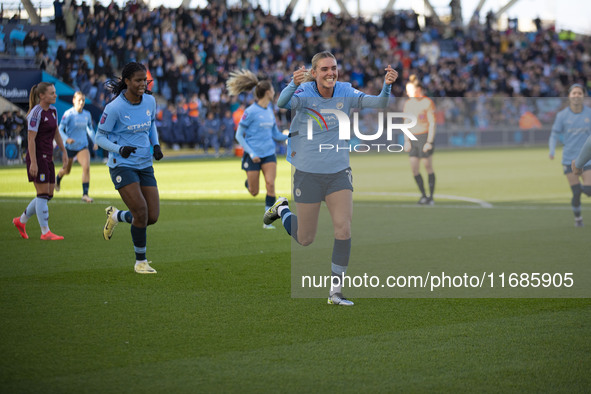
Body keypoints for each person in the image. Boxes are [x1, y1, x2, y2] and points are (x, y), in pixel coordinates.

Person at [264, 51, 398, 305]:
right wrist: (293, 83)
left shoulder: (346, 91)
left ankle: (334, 292)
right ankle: (282, 209)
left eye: (334, 68)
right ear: (313, 73)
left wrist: (387, 87)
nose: (330, 73)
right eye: (324, 69)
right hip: (308, 174)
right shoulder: (303, 93)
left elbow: (379, 103)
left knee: (344, 229)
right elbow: (282, 103)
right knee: (305, 239)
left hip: (338, 172)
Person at [95, 62, 164, 274]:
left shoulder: (150, 101)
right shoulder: (114, 108)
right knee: (141, 211)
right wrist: (118, 149)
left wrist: (156, 145)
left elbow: (151, 124)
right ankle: (140, 262)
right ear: (127, 81)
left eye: (145, 80)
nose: (143, 83)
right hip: (122, 165)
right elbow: (99, 137)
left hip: (145, 164)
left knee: (151, 217)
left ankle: (116, 216)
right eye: (138, 80)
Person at [226, 69, 288, 229]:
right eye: (273, 90)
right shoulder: (250, 111)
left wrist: (290, 135)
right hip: (252, 155)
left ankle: (268, 220)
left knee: (270, 184)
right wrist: (251, 153)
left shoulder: (270, 110)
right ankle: (249, 181)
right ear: (268, 92)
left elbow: (275, 134)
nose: (274, 92)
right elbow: (239, 135)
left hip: (269, 154)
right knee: (254, 191)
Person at [12, 82, 68, 240]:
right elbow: (31, 140)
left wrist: (64, 151)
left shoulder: (53, 111)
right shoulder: (35, 113)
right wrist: (34, 162)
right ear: (42, 96)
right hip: (37, 157)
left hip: (48, 157)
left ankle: (20, 221)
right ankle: (45, 232)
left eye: (55, 92)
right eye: (52, 93)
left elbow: (56, 132)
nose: (55, 95)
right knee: (42, 194)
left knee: (47, 195)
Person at [549, 83, 591, 227]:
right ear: (569, 96)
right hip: (569, 159)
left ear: (583, 96)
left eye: (579, 93)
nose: (576, 96)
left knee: (588, 190)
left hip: (587, 159)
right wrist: (552, 150)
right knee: (576, 193)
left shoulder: (589, 114)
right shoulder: (562, 115)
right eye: (574, 93)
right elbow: (554, 134)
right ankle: (578, 219)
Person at [56, 91, 96, 203]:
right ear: (74, 100)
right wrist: (66, 139)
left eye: (83, 100)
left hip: (83, 146)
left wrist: (95, 141)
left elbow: (90, 129)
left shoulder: (87, 114)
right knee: (67, 171)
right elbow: (60, 129)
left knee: (86, 167)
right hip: (69, 147)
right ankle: (58, 178)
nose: (81, 102)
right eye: (79, 100)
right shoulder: (68, 114)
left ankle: (85, 194)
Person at [403, 74, 436, 205]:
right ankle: (423, 195)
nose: (407, 93)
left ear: (417, 90)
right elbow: (405, 123)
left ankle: (431, 197)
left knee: (428, 166)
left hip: (424, 136)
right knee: (414, 169)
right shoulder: (408, 104)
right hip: (412, 138)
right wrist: (406, 140)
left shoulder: (427, 102)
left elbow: (432, 123)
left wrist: (429, 142)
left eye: (409, 90)